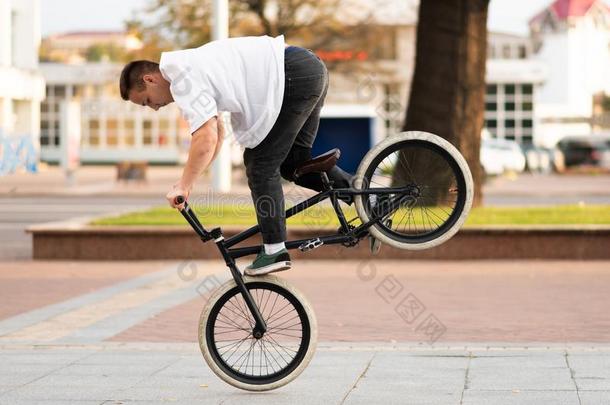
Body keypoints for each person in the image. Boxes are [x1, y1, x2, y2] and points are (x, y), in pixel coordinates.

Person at [119, 35, 353, 276]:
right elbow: (217, 134)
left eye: (147, 101)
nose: (155, 108)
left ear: (150, 79)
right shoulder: (190, 67)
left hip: (293, 73)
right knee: (294, 164)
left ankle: (274, 250)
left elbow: (205, 138)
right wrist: (188, 184)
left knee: (260, 166)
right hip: (307, 69)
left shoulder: (181, 79)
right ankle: (366, 198)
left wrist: (184, 184)